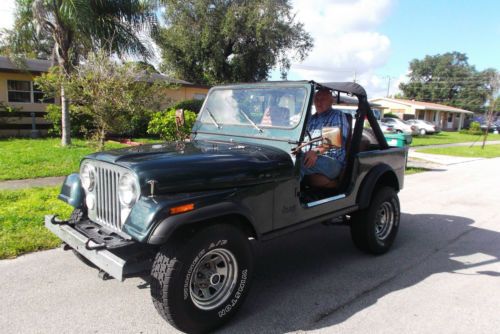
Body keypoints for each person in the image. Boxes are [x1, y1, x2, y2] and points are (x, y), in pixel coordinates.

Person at [301, 88, 349, 187]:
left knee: (297, 164)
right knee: (286, 160)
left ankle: (288, 199)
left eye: (323, 99)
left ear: (331, 101)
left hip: (331, 160)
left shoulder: (336, 115)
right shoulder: (312, 119)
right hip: (309, 156)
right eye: (317, 99)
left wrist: (315, 152)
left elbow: (332, 141)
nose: (319, 102)